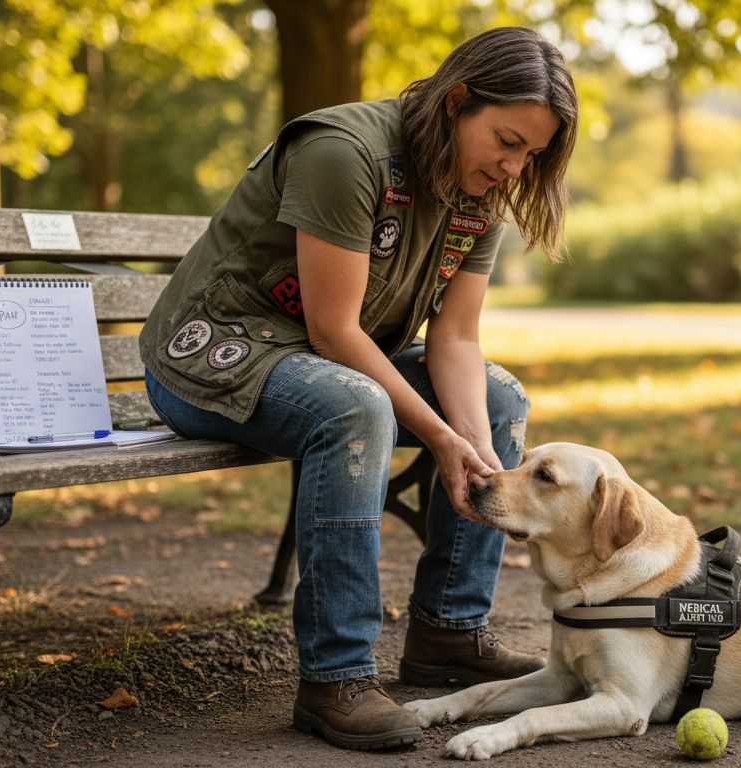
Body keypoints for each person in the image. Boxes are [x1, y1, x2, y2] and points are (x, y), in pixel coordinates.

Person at [138, 26, 578, 750]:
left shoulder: (482, 195)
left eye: (531, 153)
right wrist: (437, 436)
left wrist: (470, 445)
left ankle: (448, 631)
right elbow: (336, 331)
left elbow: (456, 339)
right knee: (355, 405)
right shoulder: (345, 153)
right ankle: (335, 676)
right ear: (456, 101)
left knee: (498, 400)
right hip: (214, 349)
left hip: (329, 358)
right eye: (505, 140)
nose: (513, 166)